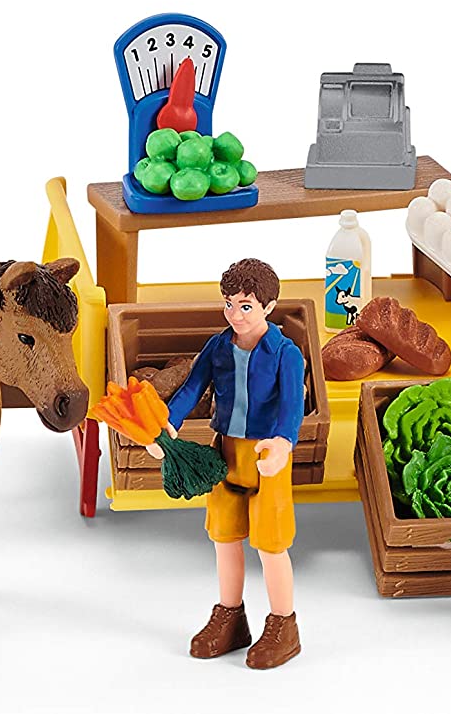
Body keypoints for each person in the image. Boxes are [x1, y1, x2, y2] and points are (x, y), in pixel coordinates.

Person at [161, 258, 305, 669]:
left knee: (271, 545)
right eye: (229, 304)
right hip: (224, 453)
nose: (235, 315)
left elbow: (292, 406)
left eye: (245, 306)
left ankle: (284, 624)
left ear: (268, 307)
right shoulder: (219, 346)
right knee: (224, 537)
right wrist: (168, 423)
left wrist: (283, 443)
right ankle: (231, 616)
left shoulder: (285, 353)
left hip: (266, 457)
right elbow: (192, 387)